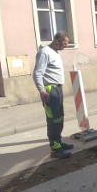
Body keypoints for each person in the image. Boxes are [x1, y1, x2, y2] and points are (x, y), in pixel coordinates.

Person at [33, 31, 74, 159]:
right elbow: (37, 74)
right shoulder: (44, 52)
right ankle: (55, 149)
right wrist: (42, 91)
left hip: (56, 89)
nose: (65, 47)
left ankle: (59, 142)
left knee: (59, 117)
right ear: (58, 40)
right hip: (50, 90)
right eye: (65, 44)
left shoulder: (54, 52)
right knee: (53, 119)